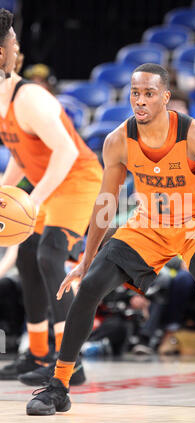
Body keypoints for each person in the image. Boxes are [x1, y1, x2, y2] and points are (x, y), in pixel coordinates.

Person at [26, 62, 195, 420]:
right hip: (149, 224)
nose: (140, 100)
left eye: (149, 93)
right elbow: (106, 203)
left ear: (166, 97)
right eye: (135, 93)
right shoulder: (118, 140)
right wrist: (87, 259)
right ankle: (59, 386)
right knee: (89, 286)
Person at [0, 9, 103, 385]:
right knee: (27, 253)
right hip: (49, 180)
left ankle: (70, 363)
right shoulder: (1, 99)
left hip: (78, 177)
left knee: (49, 253)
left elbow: (67, 153)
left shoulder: (29, 98)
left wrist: (30, 200)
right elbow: (20, 153)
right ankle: (38, 352)